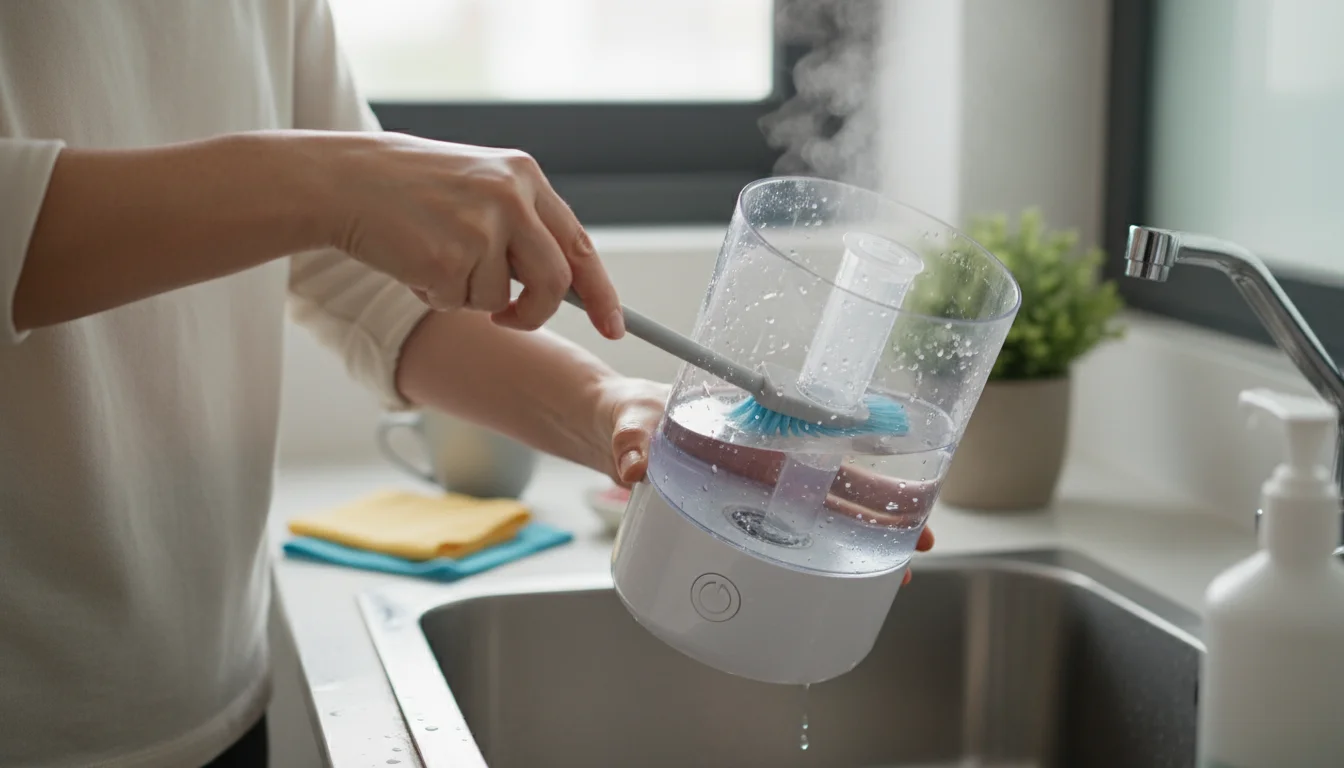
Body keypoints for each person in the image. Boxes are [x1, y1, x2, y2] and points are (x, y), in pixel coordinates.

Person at [0, 3, 932, 766]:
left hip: (205, 687)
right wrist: (330, 180)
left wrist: (612, 409)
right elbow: (324, 207)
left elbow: (353, 270)